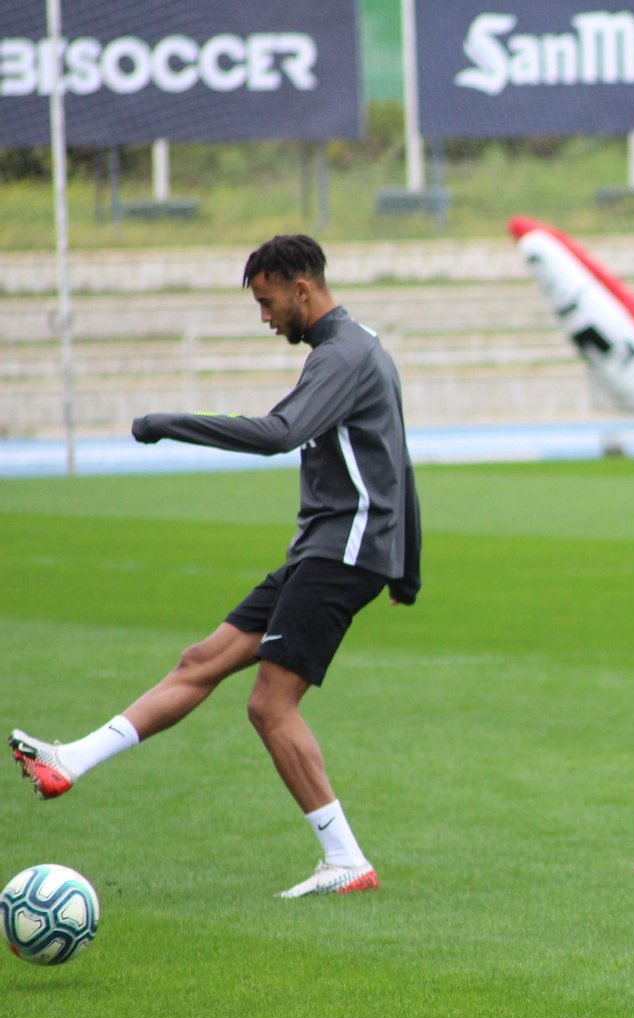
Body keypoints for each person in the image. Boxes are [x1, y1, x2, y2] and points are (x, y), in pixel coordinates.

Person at [10, 235, 421, 899]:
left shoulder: (342, 356)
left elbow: (277, 434)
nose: (265, 317)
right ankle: (69, 761)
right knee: (200, 660)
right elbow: (398, 462)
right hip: (328, 549)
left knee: (270, 705)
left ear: (302, 290)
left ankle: (346, 860)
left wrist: (171, 423)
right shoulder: (355, 347)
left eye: (268, 303)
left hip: (342, 552)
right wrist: (408, 570)